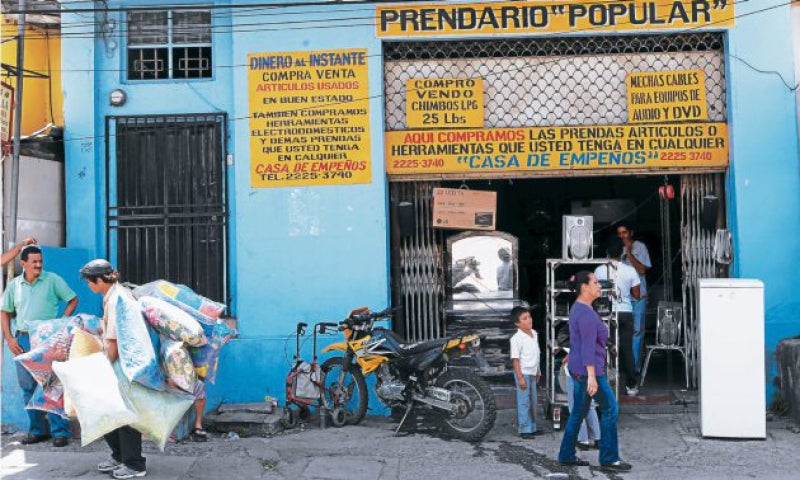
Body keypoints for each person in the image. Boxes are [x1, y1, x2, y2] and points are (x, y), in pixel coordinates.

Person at [1, 245, 77, 447]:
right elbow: (4, 311)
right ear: (23, 263)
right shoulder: (14, 285)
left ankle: (60, 432)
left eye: (40, 261)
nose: (38, 265)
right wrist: (9, 338)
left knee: (51, 385)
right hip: (23, 340)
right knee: (28, 387)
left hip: (47, 339)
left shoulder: (52, 280)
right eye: (33, 262)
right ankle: (37, 431)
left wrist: (61, 322)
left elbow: (72, 299)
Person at [557, 271, 632, 473]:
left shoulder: (579, 308)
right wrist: (592, 377)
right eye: (596, 282)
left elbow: (577, 340)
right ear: (584, 287)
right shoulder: (587, 314)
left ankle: (566, 455)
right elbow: (588, 346)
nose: (599, 286)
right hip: (590, 371)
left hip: (578, 368)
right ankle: (609, 458)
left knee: (578, 413)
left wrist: (572, 358)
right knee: (610, 409)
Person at [80, 259, 147, 479]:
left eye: (90, 281)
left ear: (99, 280)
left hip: (122, 365)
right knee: (107, 410)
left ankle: (135, 465)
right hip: (121, 362)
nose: (89, 286)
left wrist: (102, 367)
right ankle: (120, 456)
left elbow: (115, 341)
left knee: (123, 414)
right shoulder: (113, 295)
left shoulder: (116, 299)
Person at [595, 238, 641, 396]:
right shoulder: (630, 270)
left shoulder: (599, 270)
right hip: (626, 312)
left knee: (606, 347)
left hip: (606, 313)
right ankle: (631, 386)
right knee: (627, 349)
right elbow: (637, 294)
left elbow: (595, 293)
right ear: (622, 253)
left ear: (606, 253)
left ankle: (607, 383)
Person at [616, 222, 651, 372]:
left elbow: (643, 270)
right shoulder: (617, 249)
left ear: (631, 232)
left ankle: (634, 367)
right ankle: (620, 366)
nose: (622, 236)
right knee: (619, 331)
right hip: (622, 297)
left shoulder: (640, 247)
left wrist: (629, 253)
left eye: (624, 232)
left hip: (638, 296)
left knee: (637, 331)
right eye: (619, 233)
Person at [509, 306, 540, 439]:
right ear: (517, 323)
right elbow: (515, 360)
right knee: (524, 401)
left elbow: (537, 353)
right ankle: (524, 429)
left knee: (533, 401)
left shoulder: (534, 334)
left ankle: (532, 427)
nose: (529, 320)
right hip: (523, 373)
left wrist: (538, 371)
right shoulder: (516, 339)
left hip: (533, 372)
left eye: (529, 317)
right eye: (524, 319)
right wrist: (520, 377)